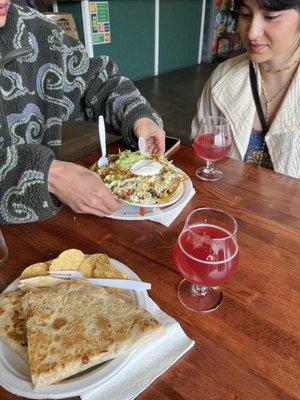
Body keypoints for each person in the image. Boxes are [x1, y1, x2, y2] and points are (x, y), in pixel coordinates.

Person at [0, 1, 165, 224]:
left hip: (45, 222)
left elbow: (95, 82)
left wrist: (137, 115)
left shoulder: (33, 28)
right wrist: (48, 175)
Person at [191, 0, 300, 179]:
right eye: (245, 14)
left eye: (270, 17)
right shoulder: (224, 77)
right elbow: (199, 146)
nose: (252, 32)